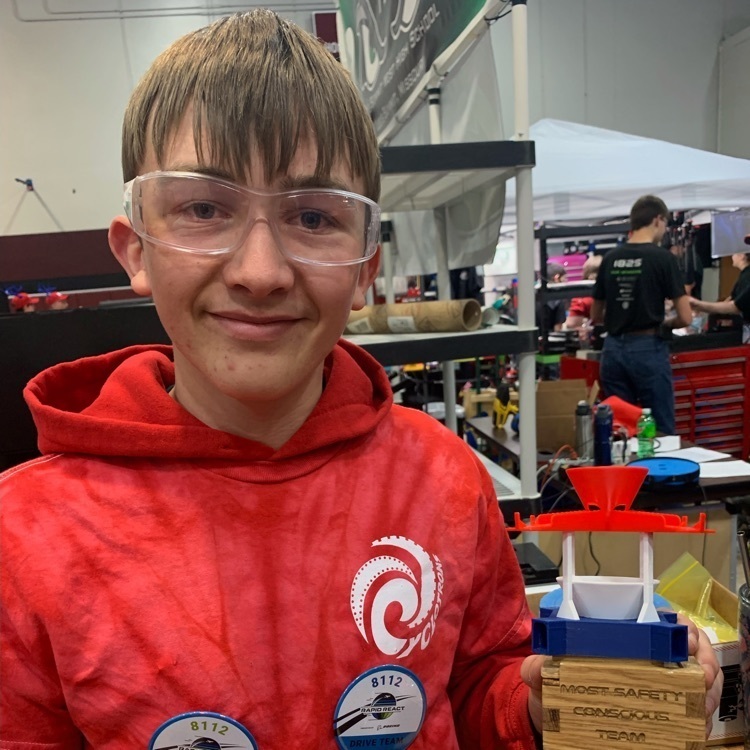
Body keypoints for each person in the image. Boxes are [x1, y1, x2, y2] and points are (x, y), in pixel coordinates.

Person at [0, 13, 721, 750]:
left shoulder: (438, 476)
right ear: (137, 249)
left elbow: (475, 680)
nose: (260, 271)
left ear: (366, 268)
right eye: (204, 208)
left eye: (313, 216)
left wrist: (543, 703)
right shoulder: (28, 538)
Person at [591, 195, 692, 435]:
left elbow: (595, 315)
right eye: (665, 224)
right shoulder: (663, 259)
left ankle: (626, 472)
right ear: (657, 220)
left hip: (613, 350)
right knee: (660, 429)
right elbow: (687, 318)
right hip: (648, 348)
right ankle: (659, 473)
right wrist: (666, 323)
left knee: (619, 430)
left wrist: (620, 319)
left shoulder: (610, 259)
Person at [689, 241, 750, 343]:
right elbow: (730, 301)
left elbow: (734, 307)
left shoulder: (747, 276)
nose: (731, 256)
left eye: (735, 253)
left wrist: (699, 305)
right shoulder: (744, 276)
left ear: (742, 255)